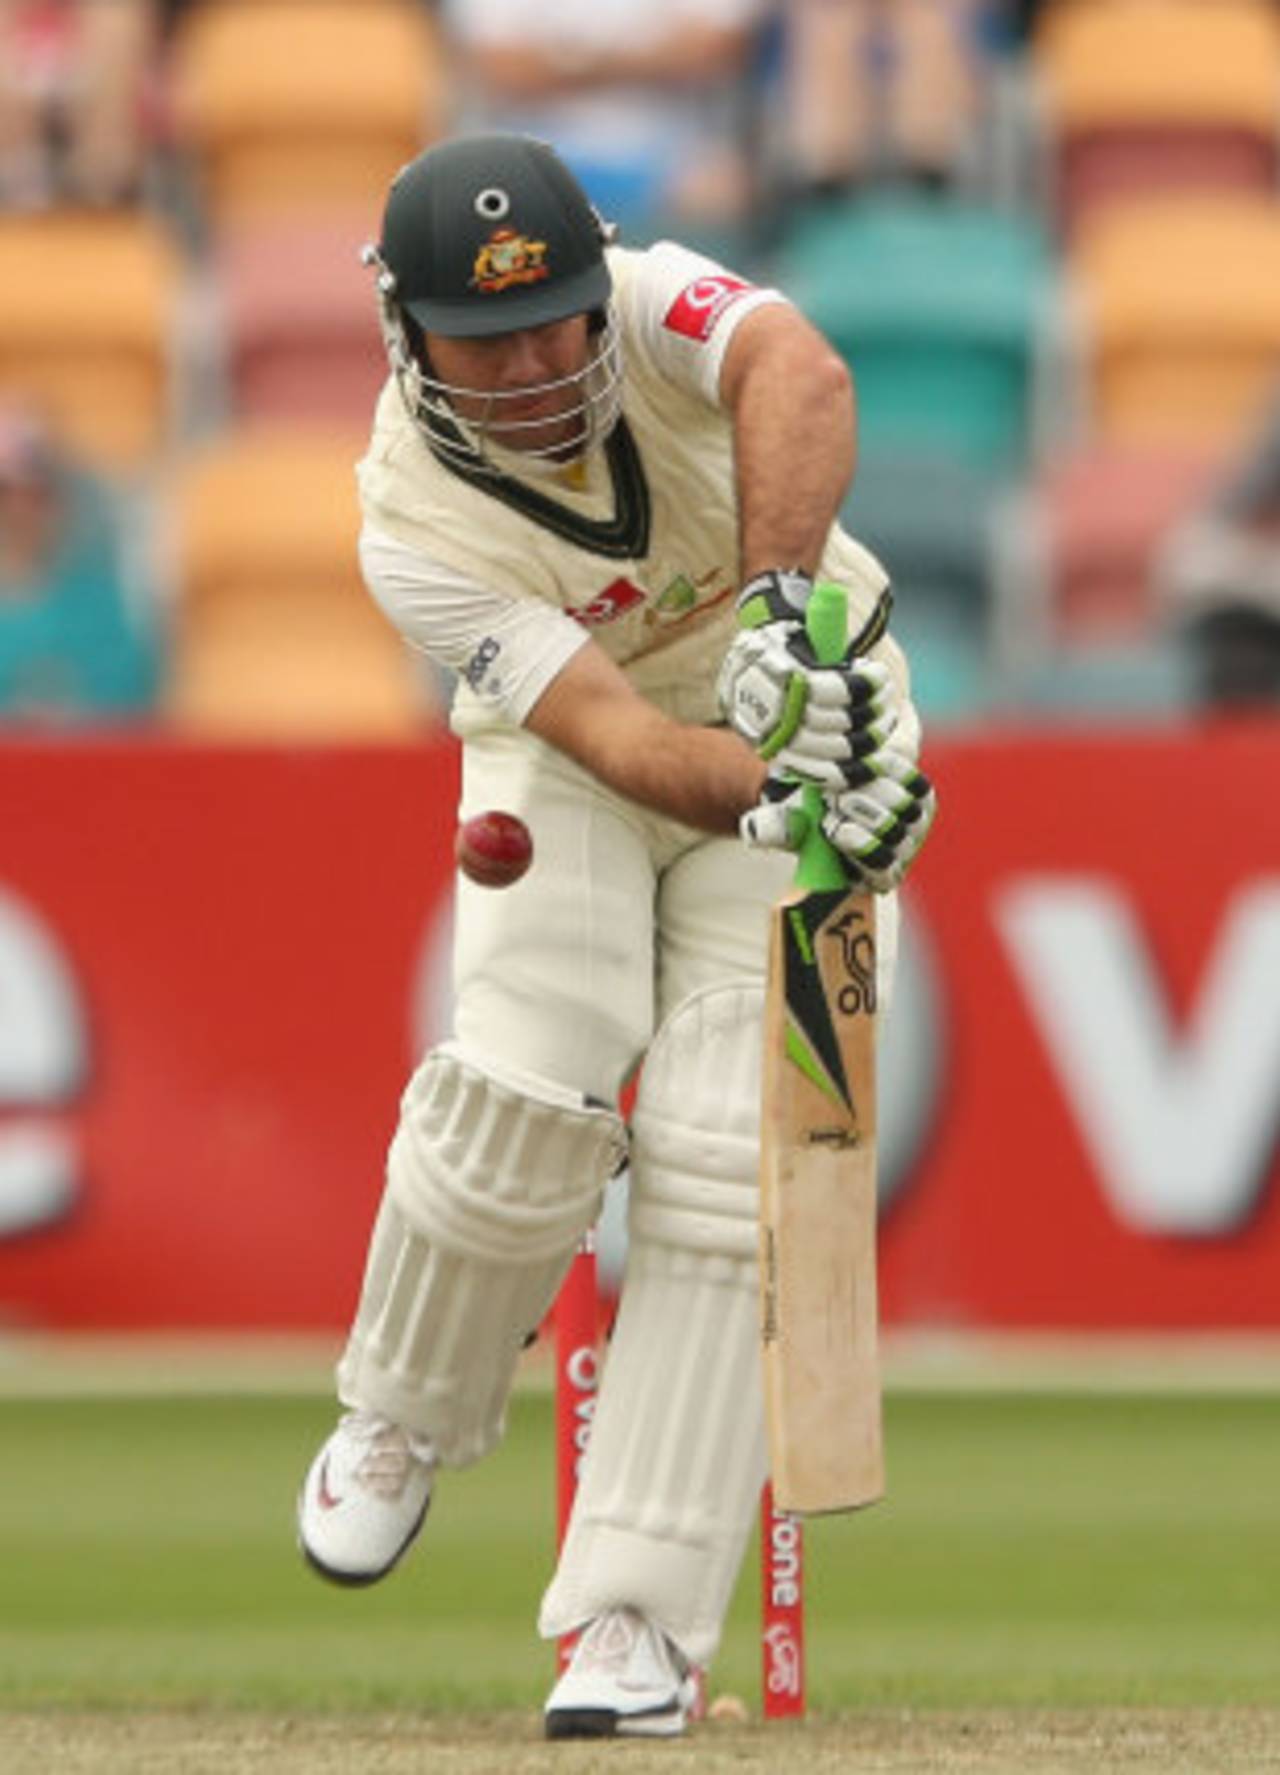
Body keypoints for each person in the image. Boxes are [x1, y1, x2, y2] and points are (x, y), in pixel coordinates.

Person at [295, 131, 936, 1740]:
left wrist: (789, 637)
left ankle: (637, 1624)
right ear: (403, 328)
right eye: (479, 335)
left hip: (805, 690)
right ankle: (404, 1411)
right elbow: (620, 742)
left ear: (600, 288)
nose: (525, 365)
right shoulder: (410, 524)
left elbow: (802, 369)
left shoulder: (657, 307)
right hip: (580, 757)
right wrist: (791, 794)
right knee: (523, 1092)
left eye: (551, 322)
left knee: (730, 1168)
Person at [0, 402, 160, 720]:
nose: (19, 510)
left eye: (36, 492)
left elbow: (127, 699)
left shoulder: (99, 604)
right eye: (4, 492)